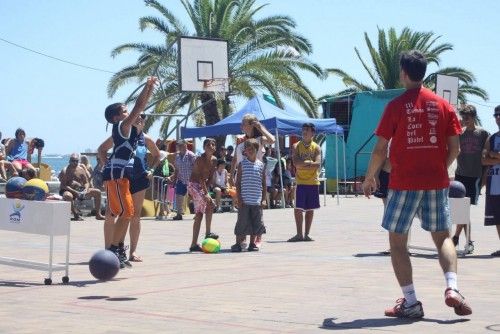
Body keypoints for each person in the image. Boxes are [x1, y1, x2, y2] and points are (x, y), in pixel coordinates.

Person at [361, 50, 471, 318]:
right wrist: (436, 169)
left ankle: (410, 302)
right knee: (443, 237)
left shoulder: (396, 106)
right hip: (436, 183)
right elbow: (454, 148)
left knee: (398, 242)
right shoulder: (444, 106)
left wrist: (369, 177)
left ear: (403, 73)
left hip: (403, 183)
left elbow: (379, 149)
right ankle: (452, 288)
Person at [99, 76, 157, 268]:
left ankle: (117, 248)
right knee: (124, 213)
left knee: (127, 213)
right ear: (116, 117)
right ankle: (114, 249)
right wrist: (147, 86)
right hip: (117, 175)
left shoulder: (132, 131)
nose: (129, 113)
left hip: (122, 176)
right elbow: (139, 106)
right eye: (125, 111)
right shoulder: (122, 127)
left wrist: (150, 89)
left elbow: (141, 109)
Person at [230, 114, 275, 246]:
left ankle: (257, 237)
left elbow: (272, 140)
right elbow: (234, 158)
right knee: (242, 207)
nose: (241, 126)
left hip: (255, 175)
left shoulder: (259, 139)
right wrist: (231, 174)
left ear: (251, 125)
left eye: (244, 123)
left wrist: (260, 127)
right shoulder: (240, 140)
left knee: (256, 208)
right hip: (242, 175)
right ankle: (242, 236)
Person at [452, 105, 489, 251]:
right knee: (461, 209)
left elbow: (486, 156)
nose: (464, 120)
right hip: (460, 174)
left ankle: (455, 237)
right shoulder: (459, 133)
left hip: (474, 176)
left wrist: (484, 177)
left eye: (467, 117)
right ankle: (468, 241)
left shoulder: (483, 133)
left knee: (464, 208)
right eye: (463, 117)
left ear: (473, 117)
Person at [123, 114, 160, 262]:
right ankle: (117, 246)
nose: (140, 119)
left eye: (143, 117)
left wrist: (151, 170)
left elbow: (157, 156)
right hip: (124, 177)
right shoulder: (124, 135)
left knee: (135, 215)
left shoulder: (147, 139)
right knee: (123, 213)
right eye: (137, 116)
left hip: (140, 178)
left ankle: (133, 251)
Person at [288, 123, 321, 242]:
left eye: (307, 130)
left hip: (313, 182)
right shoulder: (296, 146)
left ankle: (307, 234)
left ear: (313, 133)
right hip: (300, 182)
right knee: (298, 209)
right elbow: (296, 163)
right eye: (303, 130)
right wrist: (309, 163)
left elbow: (318, 164)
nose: (304, 132)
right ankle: (298, 234)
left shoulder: (316, 147)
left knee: (310, 209)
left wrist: (305, 164)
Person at [231, 139, 267, 252]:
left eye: (252, 148)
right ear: (245, 151)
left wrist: (264, 199)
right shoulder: (242, 164)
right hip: (245, 200)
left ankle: (252, 243)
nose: (250, 150)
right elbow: (238, 182)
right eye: (248, 148)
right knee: (242, 222)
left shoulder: (261, 165)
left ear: (257, 150)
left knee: (255, 223)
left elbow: (264, 184)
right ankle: (238, 243)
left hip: (256, 200)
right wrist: (239, 197)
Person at [187, 138, 219, 252]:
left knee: (205, 209)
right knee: (204, 209)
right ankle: (200, 238)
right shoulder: (200, 159)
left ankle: (200, 239)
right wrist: (206, 194)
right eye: (208, 144)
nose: (211, 146)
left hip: (203, 186)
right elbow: (200, 177)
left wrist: (208, 193)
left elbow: (210, 177)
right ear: (204, 147)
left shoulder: (214, 160)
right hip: (194, 185)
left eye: (213, 144)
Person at [59, 153, 105, 221]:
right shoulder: (65, 170)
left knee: (97, 192)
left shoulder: (81, 169)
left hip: (80, 190)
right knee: (68, 196)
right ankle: (75, 214)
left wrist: (85, 189)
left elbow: (86, 182)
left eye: (76, 161)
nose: (74, 162)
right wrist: (75, 192)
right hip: (68, 190)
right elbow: (63, 185)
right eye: (73, 160)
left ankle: (98, 214)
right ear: (69, 161)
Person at [482, 106, 500, 256]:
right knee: (497, 218)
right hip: (494, 183)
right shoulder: (492, 138)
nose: (498, 118)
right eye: (496, 116)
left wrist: (494, 155)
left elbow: (489, 156)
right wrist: (493, 156)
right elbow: (483, 160)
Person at [168, 139, 196, 221]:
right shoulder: (177, 156)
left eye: (181, 145)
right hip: (181, 179)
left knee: (194, 197)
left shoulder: (191, 155)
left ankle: (197, 213)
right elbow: (176, 169)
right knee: (178, 196)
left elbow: (196, 168)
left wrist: (195, 179)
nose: (179, 147)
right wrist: (174, 180)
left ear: (185, 145)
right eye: (178, 145)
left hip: (191, 180)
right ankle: (179, 214)